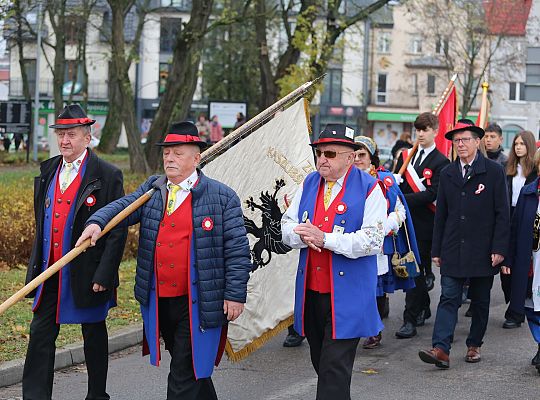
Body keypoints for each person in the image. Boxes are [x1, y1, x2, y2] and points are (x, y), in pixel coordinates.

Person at [77, 121, 252, 400]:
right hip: (160, 300)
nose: (169, 158)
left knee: (183, 373)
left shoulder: (222, 198)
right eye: (166, 152)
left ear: (196, 158)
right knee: (190, 368)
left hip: (198, 301)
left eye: (178, 153)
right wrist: (99, 221)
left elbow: (238, 251)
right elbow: (125, 206)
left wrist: (234, 295)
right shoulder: (154, 189)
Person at [22, 104, 127, 400]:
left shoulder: (107, 174)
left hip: (87, 271)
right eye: (61, 134)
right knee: (40, 333)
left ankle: (97, 395)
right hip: (50, 270)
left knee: (93, 334)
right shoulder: (48, 170)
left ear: (87, 137)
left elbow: (117, 230)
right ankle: (36, 396)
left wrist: (105, 273)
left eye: (71, 135)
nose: (64, 140)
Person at [282, 123, 386, 399]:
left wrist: (325, 239)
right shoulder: (308, 182)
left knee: (333, 370)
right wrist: (300, 235)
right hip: (311, 292)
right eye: (319, 153)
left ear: (350, 157)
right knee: (323, 364)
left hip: (348, 296)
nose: (322, 159)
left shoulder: (370, 188)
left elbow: (372, 240)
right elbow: (287, 225)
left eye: (330, 153)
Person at [418, 120, 510, 369]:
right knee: (448, 297)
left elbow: (503, 213)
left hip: (483, 249)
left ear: (477, 141)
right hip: (452, 247)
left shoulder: (493, 171)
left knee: (480, 301)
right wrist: (436, 249)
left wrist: (500, 248)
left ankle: (474, 344)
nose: (460, 144)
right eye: (456, 140)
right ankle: (441, 349)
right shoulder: (448, 172)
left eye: (465, 139)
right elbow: (442, 215)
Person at [353, 136, 419, 349]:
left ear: (371, 156)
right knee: (356, 288)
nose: (357, 159)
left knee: (376, 289)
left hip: (378, 244)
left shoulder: (385, 179)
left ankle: (374, 330)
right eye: (353, 155)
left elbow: (400, 210)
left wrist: (385, 225)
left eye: (361, 155)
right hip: (351, 242)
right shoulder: (343, 180)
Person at [394, 112, 449, 339]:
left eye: (425, 130)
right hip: (405, 223)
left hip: (426, 226)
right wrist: (393, 184)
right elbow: (397, 186)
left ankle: (411, 318)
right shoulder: (406, 156)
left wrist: (404, 198)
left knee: (417, 271)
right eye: (418, 130)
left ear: (435, 131)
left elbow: (433, 193)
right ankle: (420, 308)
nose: (421, 134)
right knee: (412, 271)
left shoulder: (441, 162)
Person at [502, 149, 540, 375]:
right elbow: (514, 230)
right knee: (531, 307)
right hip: (531, 263)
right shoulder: (527, 194)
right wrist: (508, 257)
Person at [502, 130, 538, 328]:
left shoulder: (534, 171)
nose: (518, 147)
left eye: (522, 144)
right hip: (507, 216)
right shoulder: (507, 169)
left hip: (526, 216)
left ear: (529, 146)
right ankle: (515, 300)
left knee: (522, 266)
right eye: (516, 144)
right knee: (505, 267)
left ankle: (516, 310)